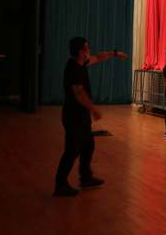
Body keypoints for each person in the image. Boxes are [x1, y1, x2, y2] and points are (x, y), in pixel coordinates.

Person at [54, 37, 128, 197]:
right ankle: (60, 185)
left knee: (88, 145)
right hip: (73, 115)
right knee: (72, 150)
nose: (89, 50)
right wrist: (93, 109)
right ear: (81, 52)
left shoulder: (81, 63)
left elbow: (98, 57)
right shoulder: (74, 67)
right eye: (87, 47)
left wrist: (115, 53)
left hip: (81, 115)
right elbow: (78, 92)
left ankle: (86, 178)